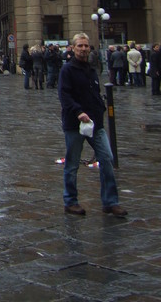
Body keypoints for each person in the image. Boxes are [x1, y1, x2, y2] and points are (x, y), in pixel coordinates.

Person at [58, 32, 127, 217]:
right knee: (72, 164)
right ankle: (70, 201)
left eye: (86, 46)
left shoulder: (91, 69)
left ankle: (110, 202)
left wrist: (100, 109)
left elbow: (95, 93)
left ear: (89, 48)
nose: (83, 48)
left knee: (107, 159)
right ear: (73, 48)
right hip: (75, 124)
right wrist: (78, 112)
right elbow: (64, 95)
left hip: (95, 124)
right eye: (79, 45)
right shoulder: (67, 70)